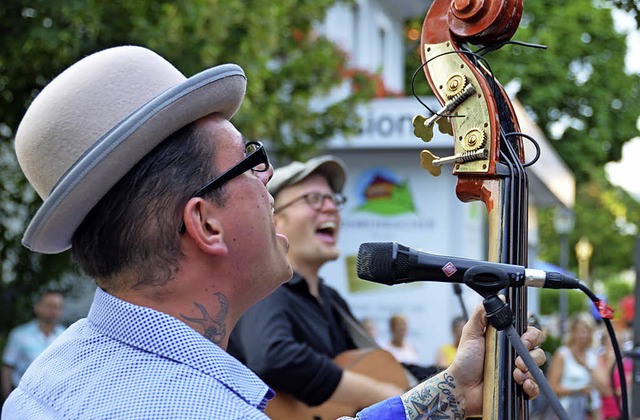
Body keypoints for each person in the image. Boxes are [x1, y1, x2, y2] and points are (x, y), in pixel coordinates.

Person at [2, 45, 544, 419]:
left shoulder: (63, 364)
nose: (268, 182)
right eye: (250, 161)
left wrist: (450, 393)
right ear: (205, 223)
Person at [228, 156, 543, 416]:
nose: (330, 208)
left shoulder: (330, 300)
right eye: (313, 199)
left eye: (333, 199)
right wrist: (379, 393)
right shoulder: (267, 290)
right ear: (275, 219)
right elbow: (272, 356)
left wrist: (468, 368)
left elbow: (375, 364)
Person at [1, 290, 65, 400]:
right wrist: (7, 397)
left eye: (58, 307)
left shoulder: (66, 335)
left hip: (56, 399)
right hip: (24, 397)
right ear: (37, 307)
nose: (54, 311)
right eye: (50, 306)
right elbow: (7, 367)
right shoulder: (19, 335)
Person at [547, 313, 606, 420]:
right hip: (566, 412)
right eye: (582, 331)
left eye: (588, 331)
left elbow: (604, 388)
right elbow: (552, 389)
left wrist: (587, 366)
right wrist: (578, 390)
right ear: (573, 331)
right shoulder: (562, 354)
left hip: (590, 413)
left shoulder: (593, 355)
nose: (585, 335)